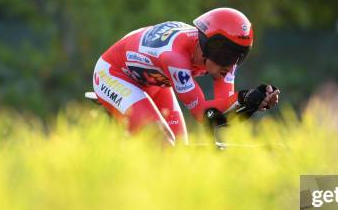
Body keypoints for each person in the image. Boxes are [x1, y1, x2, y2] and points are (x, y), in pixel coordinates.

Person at [91, 7, 280, 145]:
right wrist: (243, 98)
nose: (231, 65)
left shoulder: (224, 62)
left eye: (239, 56)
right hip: (114, 74)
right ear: (209, 45)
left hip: (152, 80)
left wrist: (253, 102)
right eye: (228, 55)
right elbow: (202, 114)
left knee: (180, 151)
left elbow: (221, 115)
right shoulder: (176, 57)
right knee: (161, 142)